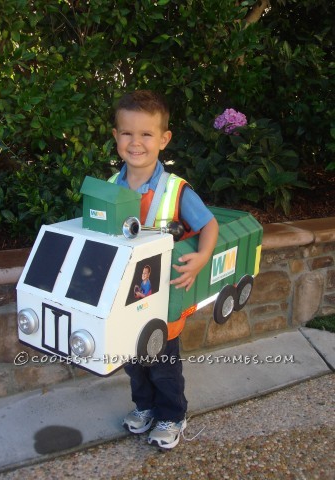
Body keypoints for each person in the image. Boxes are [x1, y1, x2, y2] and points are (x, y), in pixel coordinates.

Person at [110, 90, 219, 449]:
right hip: (124, 301)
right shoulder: (109, 187)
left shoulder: (175, 189)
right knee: (133, 361)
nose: (135, 142)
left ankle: (172, 413)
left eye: (146, 134)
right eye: (127, 133)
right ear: (116, 137)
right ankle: (144, 407)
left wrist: (202, 258)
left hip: (162, 303)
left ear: (164, 139)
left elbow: (209, 226)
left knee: (162, 363)